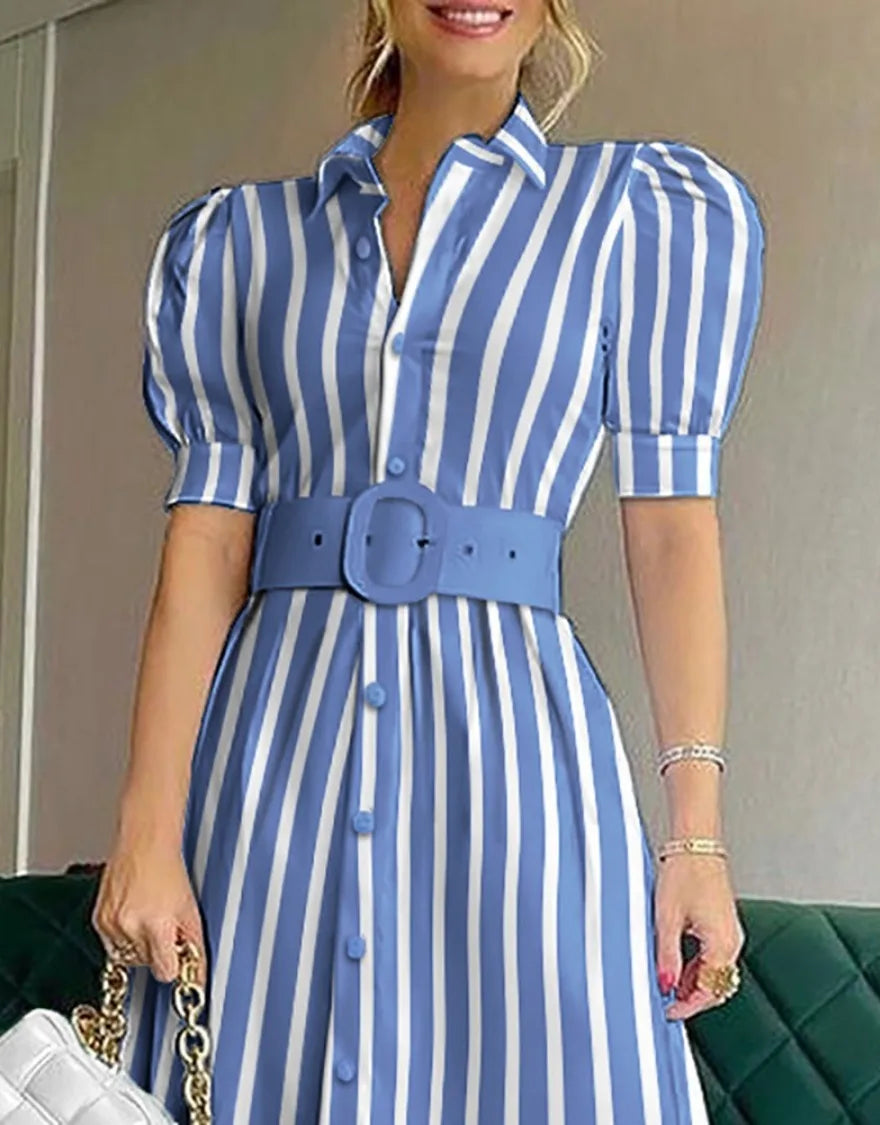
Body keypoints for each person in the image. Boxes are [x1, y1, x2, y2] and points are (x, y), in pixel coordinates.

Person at [92, 0, 765, 1120]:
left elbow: (671, 532)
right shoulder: (239, 245)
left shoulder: (633, 216)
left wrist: (696, 837)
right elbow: (206, 542)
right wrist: (146, 832)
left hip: (518, 763)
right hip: (275, 764)